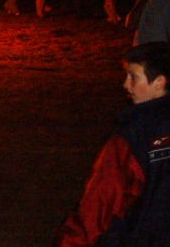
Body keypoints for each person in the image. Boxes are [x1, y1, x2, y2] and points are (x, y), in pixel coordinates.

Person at [54, 42, 170, 246]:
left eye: (133, 77)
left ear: (159, 82)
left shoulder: (131, 138)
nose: (126, 85)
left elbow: (100, 203)